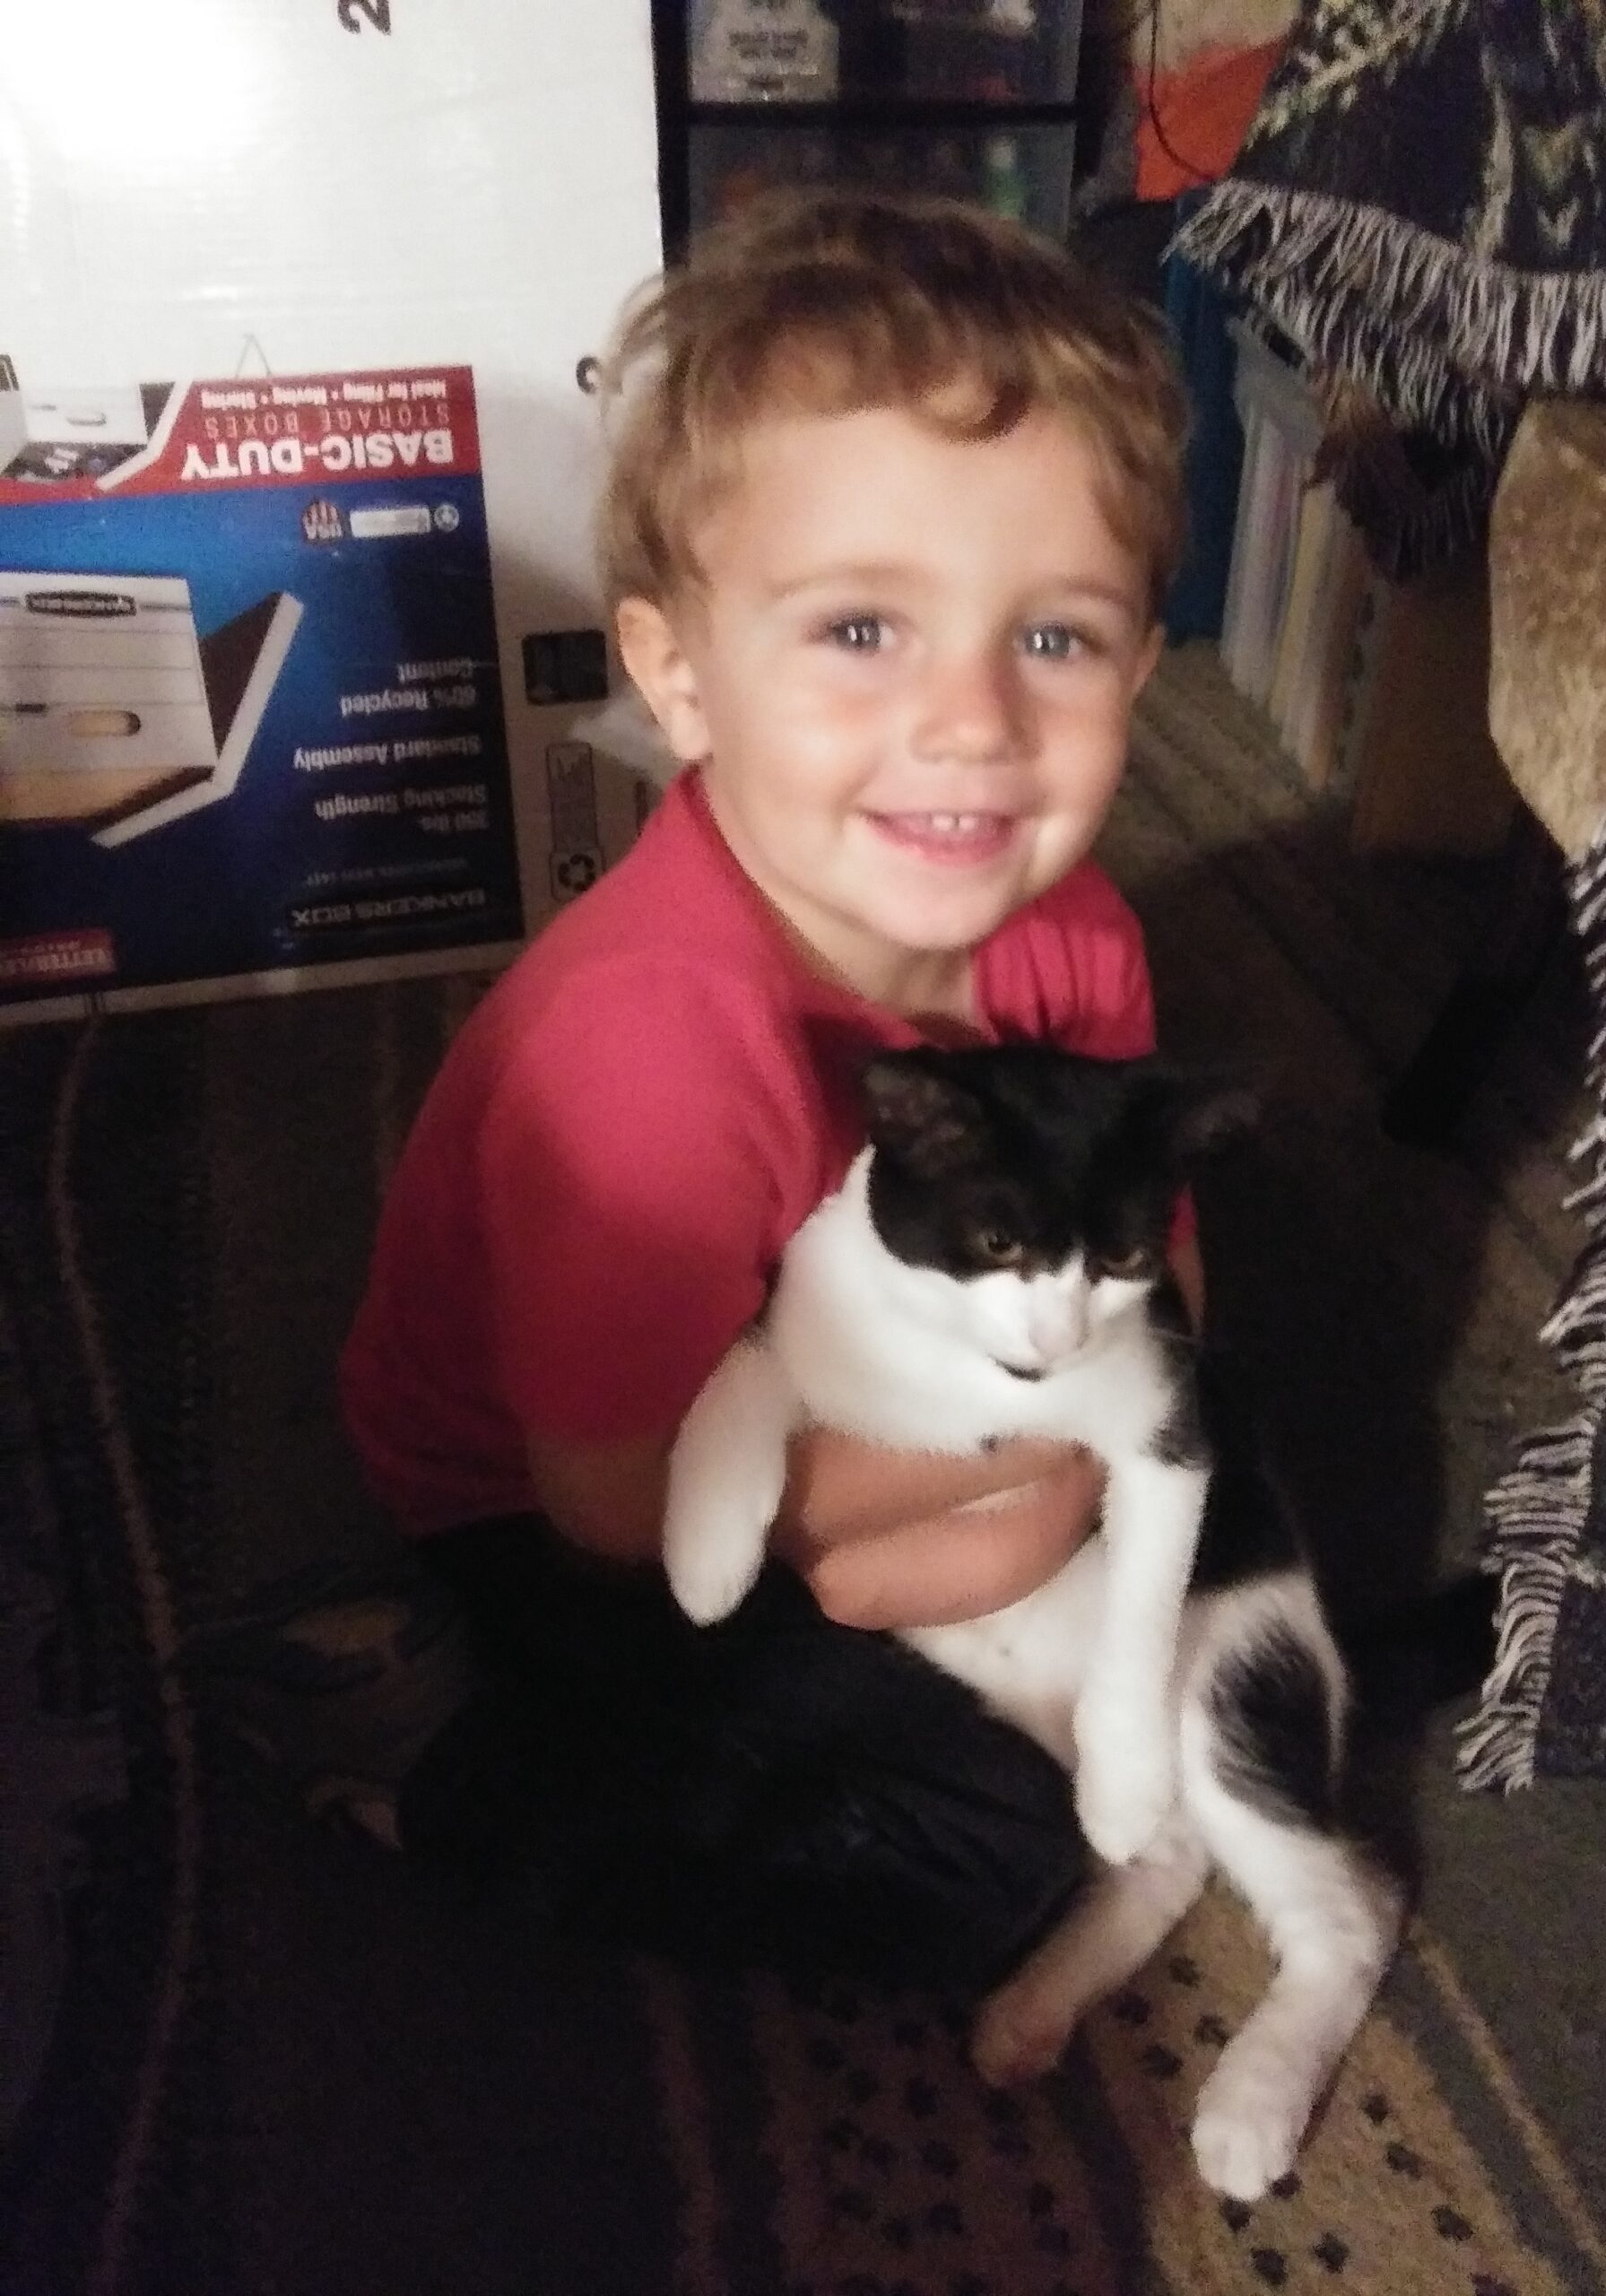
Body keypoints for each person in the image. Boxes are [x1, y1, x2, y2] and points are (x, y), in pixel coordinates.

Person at [222, 188, 1196, 1992]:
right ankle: (432, 1757)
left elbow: (1167, 1259)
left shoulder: (1084, 938)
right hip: (571, 1490)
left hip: (910, 1387)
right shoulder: (648, 1056)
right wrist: (1035, 1490)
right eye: (862, 629)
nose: (975, 720)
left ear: (1143, 667)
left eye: (1054, 637)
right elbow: (618, 1506)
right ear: (679, 677)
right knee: (987, 1853)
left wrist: (1078, 1467)